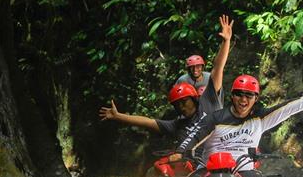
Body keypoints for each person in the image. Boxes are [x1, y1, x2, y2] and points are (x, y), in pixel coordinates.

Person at [98, 14, 233, 146]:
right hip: (196, 158)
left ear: (194, 99)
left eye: (184, 102)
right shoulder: (176, 124)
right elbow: (148, 122)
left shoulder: (207, 102)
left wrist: (226, 41)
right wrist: (118, 116)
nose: (181, 107)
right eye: (177, 105)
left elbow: (218, 67)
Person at [171, 75, 303, 177]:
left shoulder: (259, 119)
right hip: (209, 171)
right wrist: (180, 152)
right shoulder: (215, 118)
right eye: (239, 94)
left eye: (249, 95)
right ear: (232, 96)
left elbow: (286, 109)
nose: (243, 100)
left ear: (256, 98)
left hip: (245, 172)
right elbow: (195, 136)